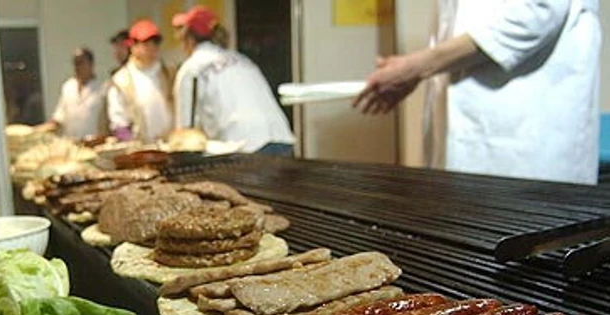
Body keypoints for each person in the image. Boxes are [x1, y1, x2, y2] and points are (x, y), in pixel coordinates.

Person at [353, 0, 601, 185]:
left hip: (530, 124)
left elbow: (536, 12)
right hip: (468, 122)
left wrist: (418, 66)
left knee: (526, 225)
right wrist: (418, 70)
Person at [172, 6, 296, 156]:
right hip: (282, 138)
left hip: (246, 147)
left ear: (188, 38)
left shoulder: (191, 69)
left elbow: (185, 137)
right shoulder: (241, 60)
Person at [107, 19, 174, 142]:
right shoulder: (121, 80)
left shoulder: (170, 73)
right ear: (133, 46)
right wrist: (131, 143)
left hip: (172, 144)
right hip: (141, 147)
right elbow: (118, 121)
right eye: (146, 44)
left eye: (155, 43)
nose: (152, 48)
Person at [42, 47, 106, 139]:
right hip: (71, 143)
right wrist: (35, 131)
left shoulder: (103, 89)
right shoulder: (68, 87)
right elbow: (58, 118)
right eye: (75, 63)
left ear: (91, 64)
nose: (77, 67)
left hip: (94, 143)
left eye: (81, 63)